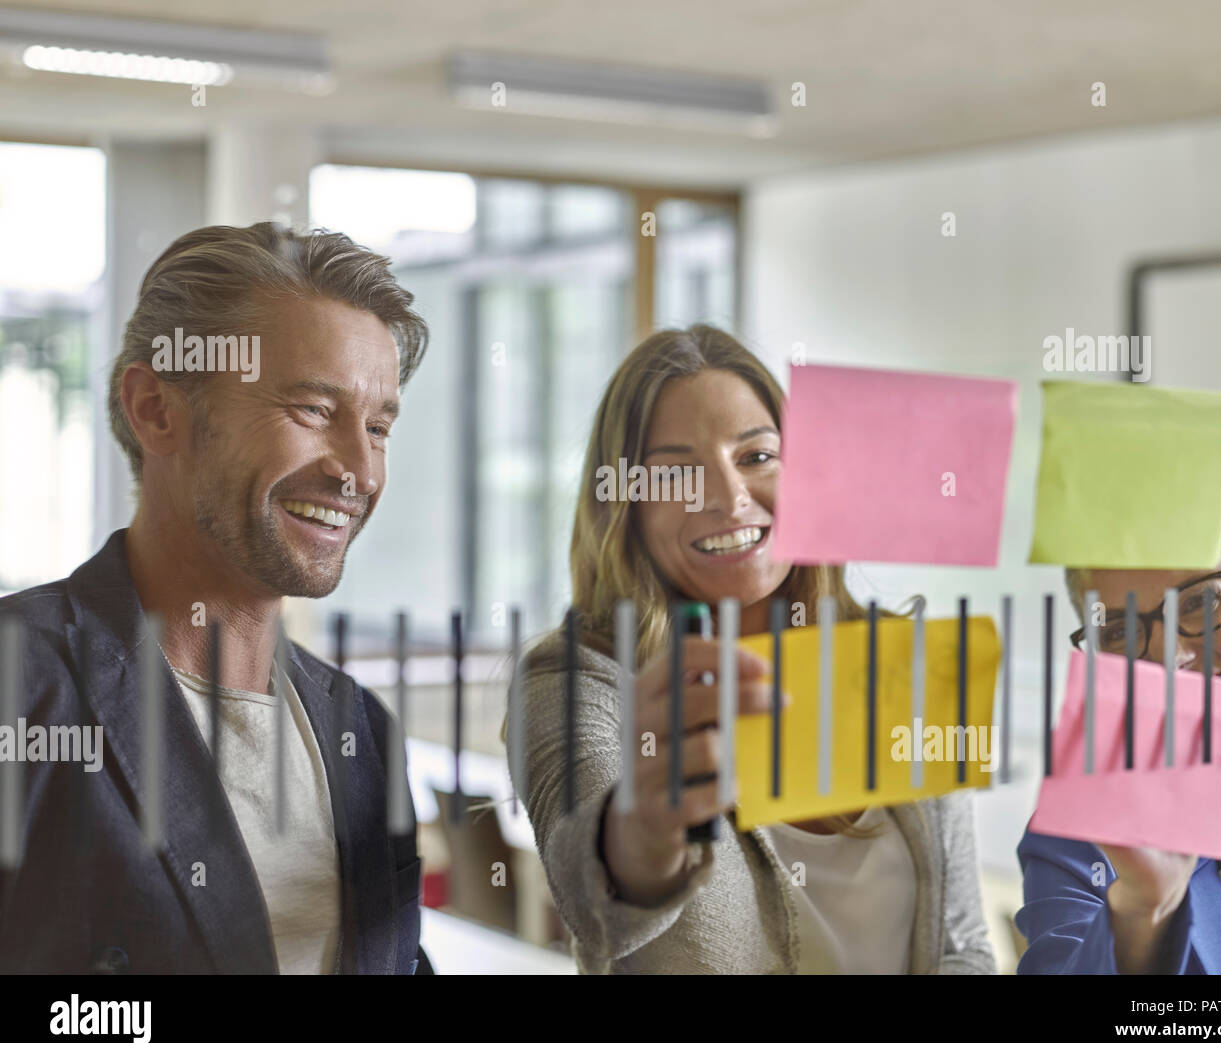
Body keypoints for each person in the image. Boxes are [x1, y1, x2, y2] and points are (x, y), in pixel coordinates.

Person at [0, 223, 429, 974]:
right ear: (156, 409)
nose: (359, 470)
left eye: (379, 426)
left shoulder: (361, 730)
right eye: (313, 411)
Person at [508, 324, 994, 974]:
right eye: (679, 472)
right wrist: (647, 831)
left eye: (757, 456)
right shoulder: (575, 681)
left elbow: (961, 946)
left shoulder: (903, 665)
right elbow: (591, 892)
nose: (731, 498)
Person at [1016, 488, 1221, 974]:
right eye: (1121, 633)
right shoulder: (1079, 845)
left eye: (1201, 601)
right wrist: (1141, 914)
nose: (1172, 662)